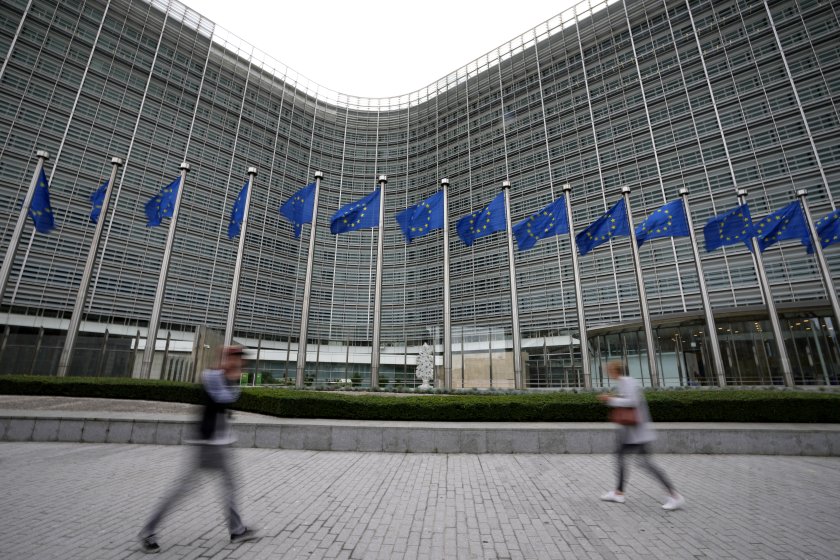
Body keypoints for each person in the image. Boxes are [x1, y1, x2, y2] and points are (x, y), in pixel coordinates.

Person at [138, 345, 259, 553]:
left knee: (228, 485)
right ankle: (148, 531)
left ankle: (237, 529)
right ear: (227, 358)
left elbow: (231, 398)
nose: (240, 363)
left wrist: (232, 377)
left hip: (220, 442)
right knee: (184, 490)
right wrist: (230, 376)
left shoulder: (225, 377)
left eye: (241, 360)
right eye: (236, 358)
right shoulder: (212, 376)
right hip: (208, 444)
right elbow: (224, 399)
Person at [598, 360, 685, 511]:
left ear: (615, 370)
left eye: (609, 370)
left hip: (637, 433)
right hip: (630, 433)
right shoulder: (622, 383)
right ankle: (619, 492)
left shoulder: (629, 382)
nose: (608, 373)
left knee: (645, 463)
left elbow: (633, 401)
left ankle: (674, 495)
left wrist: (611, 399)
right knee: (621, 457)